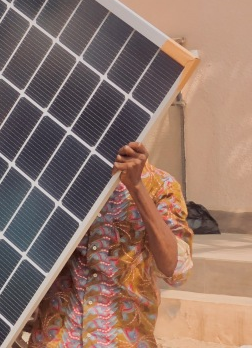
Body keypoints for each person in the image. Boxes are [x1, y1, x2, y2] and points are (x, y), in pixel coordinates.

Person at [27, 142, 193, 348]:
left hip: (122, 339)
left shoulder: (161, 185)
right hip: (57, 339)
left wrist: (137, 187)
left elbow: (175, 269)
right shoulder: (56, 180)